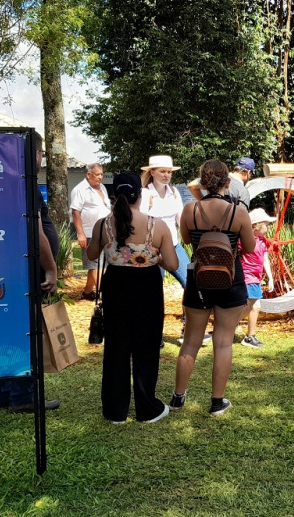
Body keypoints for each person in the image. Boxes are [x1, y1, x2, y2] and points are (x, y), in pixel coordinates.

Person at [88, 173, 179, 424]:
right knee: (146, 346)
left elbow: (93, 252)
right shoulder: (156, 225)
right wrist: (154, 256)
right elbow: (172, 263)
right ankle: (147, 408)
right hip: (146, 287)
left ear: (114, 195)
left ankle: (115, 410)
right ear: (140, 194)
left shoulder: (103, 224)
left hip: (115, 287)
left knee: (116, 347)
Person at [171, 160, 255, 416]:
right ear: (227, 183)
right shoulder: (238, 211)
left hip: (199, 278)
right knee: (223, 342)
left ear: (202, 183)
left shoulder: (190, 209)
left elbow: (186, 240)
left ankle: (178, 397)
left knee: (191, 342)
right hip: (231, 278)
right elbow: (249, 248)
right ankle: (217, 401)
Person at [0, 141, 61, 413]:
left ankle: (1, 394)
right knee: (25, 331)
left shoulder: (1, 181)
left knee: (4, 330)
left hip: (4, 268)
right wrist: (51, 269)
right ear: (37, 154)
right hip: (24, 270)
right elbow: (35, 228)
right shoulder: (26, 181)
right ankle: (23, 396)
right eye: (41, 154)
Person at [139, 155, 200, 345]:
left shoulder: (174, 192)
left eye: (169, 172)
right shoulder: (145, 194)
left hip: (173, 245)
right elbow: (141, 222)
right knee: (153, 292)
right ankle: (153, 333)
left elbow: (181, 220)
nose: (166, 175)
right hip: (153, 248)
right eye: (162, 171)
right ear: (152, 172)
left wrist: (190, 238)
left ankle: (186, 330)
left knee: (191, 284)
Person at [70, 163, 112, 300]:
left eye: (101, 174)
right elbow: (76, 212)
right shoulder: (80, 190)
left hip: (105, 232)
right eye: (97, 175)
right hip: (89, 233)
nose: (100, 177)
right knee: (94, 265)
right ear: (88, 175)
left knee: (98, 264)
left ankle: (88, 291)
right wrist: (80, 234)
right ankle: (104, 295)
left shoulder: (103, 188)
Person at [239, 208, 276, 349]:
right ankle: (247, 335)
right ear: (256, 226)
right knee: (254, 306)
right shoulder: (244, 240)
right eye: (266, 224)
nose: (268, 227)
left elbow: (265, 259)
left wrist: (270, 278)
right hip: (247, 277)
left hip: (256, 278)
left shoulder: (262, 241)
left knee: (251, 306)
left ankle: (228, 327)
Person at [188, 156, 255, 208]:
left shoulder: (216, 177)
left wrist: (204, 203)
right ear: (249, 172)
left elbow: (191, 185)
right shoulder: (243, 192)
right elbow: (242, 217)